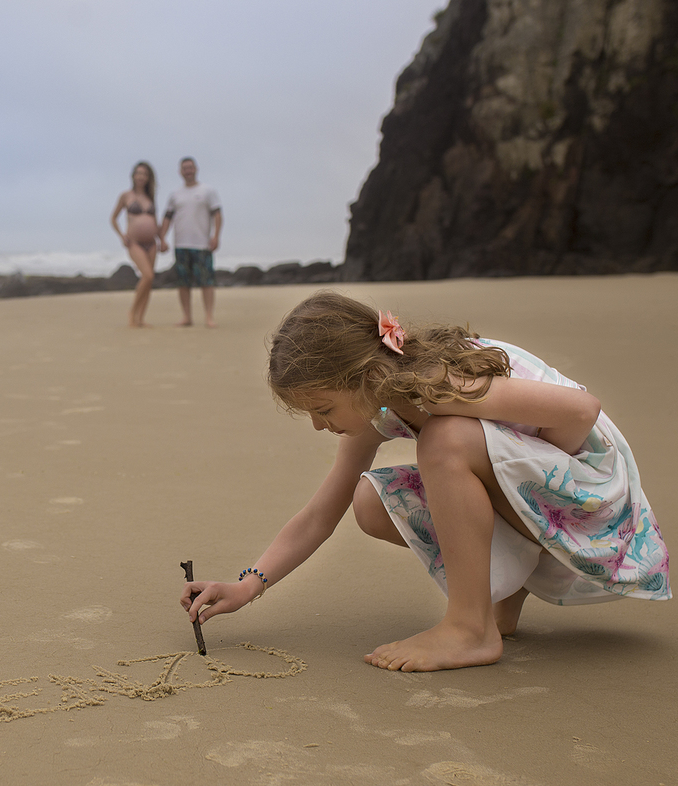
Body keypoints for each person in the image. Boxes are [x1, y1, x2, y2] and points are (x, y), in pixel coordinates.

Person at [181, 291, 670, 672]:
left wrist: (533, 490)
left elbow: (582, 412)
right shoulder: (382, 403)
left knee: (446, 440)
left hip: (592, 497)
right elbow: (317, 516)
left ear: (365, 374)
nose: (318, 425)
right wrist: (247, 586)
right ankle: (499, 596)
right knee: (370, 499)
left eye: (323, 408)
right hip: (539, 500)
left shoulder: (440, 383)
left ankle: (469, 627)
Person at [158, 157, 221, 328]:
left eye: (190, 167)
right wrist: (162, 238)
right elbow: (167, 217)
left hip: (202, 244)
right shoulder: (174, 194)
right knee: (183, 283)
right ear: (180, 171)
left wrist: (216, 236)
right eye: (184, 168)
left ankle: (209, 317)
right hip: (181, 245)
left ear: (196, 169)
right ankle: (187, 317)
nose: (188, 171)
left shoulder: (208, 191)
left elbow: (217, 214)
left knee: (206, 282)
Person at [110, 162, 168, 328]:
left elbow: (154, 222)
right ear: (133, 176)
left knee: (149, 281)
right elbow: (113, 218)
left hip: (152, 243)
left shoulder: (150, 197)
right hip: (134, 243)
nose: (141, 176)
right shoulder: (126, 196)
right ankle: (132, 313)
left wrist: (162, 239)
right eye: (138, 173)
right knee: (147, 275)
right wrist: (122, 235)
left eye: (145, 174)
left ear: (149, 178)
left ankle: (141, 318)